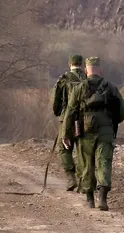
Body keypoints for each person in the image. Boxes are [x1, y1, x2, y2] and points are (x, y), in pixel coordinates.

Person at [61, 57, 124, 211]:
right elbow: (123, 111)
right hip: (106, 132)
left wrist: (66, 135)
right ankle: (103, 199)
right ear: (101, 71)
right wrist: (112, 121)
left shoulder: (79, 88)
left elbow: (70, 113)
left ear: (86, 71)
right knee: (104, 162)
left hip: (85, 132)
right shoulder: (110, 87)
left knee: (86, 164)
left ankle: (90, 199)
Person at [52, 54, 87, 191]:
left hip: (67, 118)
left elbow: (56, 100)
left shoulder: (64, 79)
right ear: (82, 64)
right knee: (82, 148)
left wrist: (58, 112)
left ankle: (71, 178)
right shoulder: (88, 78)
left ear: (69, 64)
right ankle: (84, 180)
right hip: (85, 119)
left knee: (64, 148)